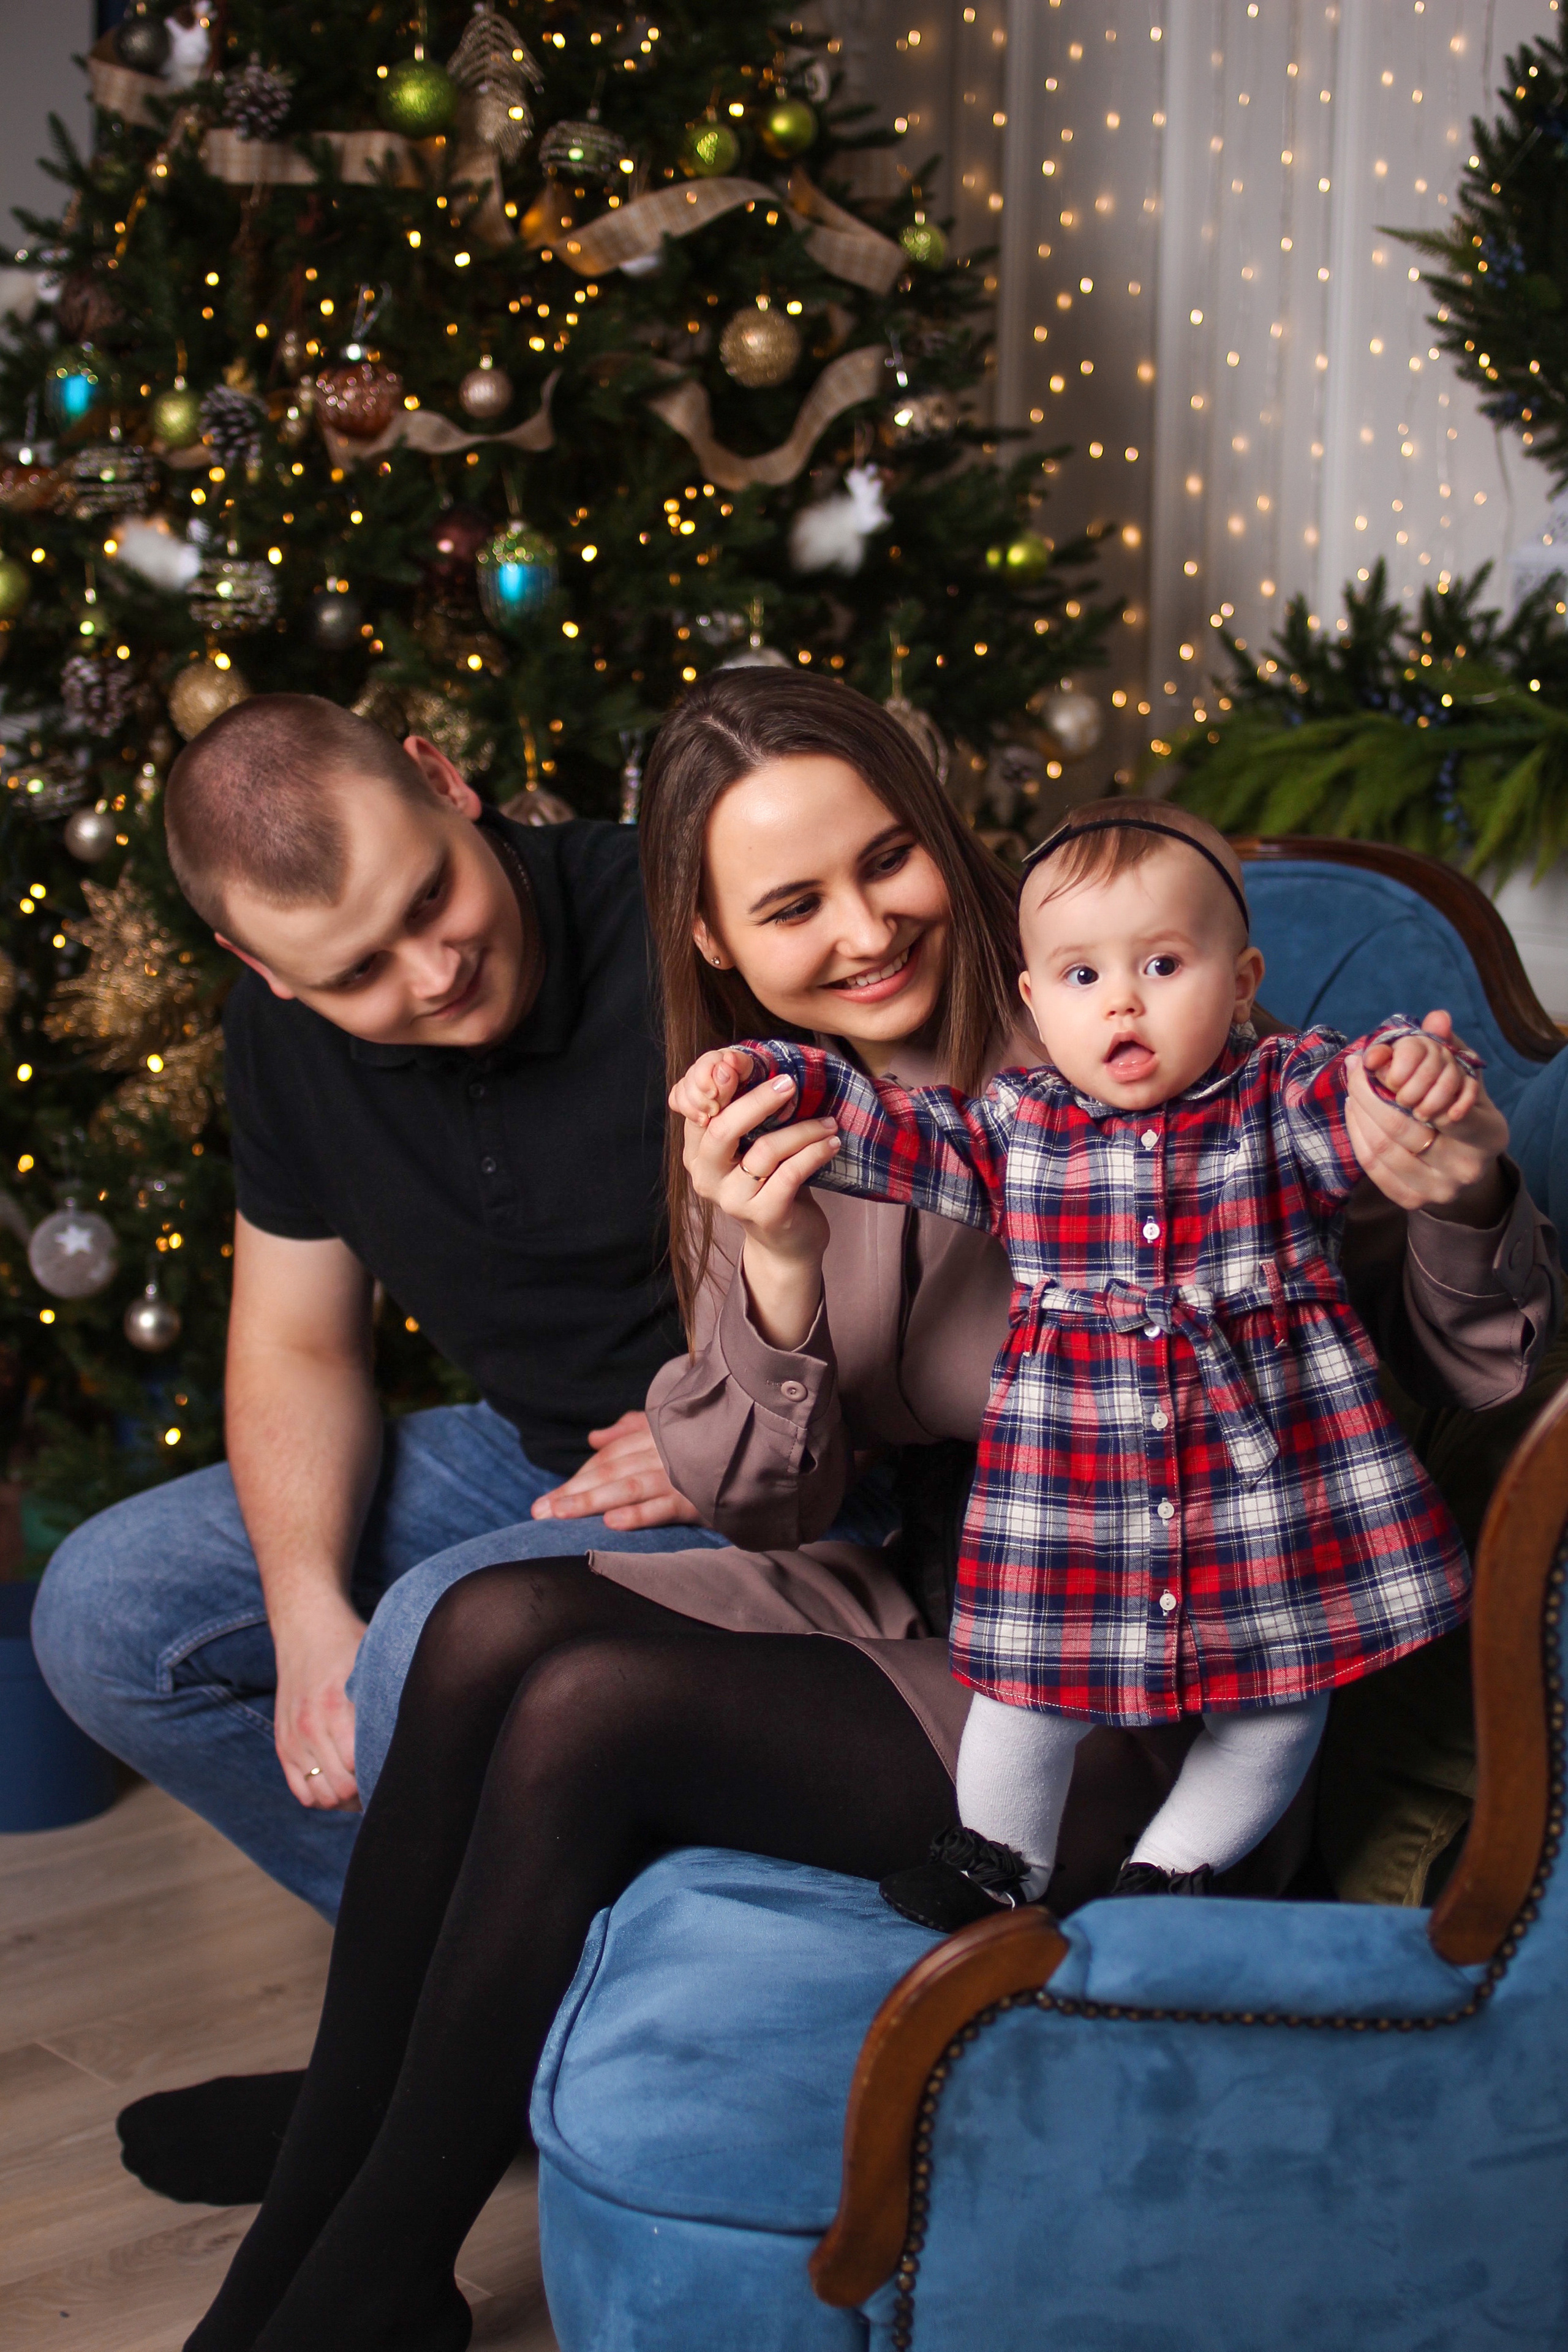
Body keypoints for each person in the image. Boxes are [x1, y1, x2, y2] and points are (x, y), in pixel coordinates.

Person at [177, 676, 1557, 2352]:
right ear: (711, 936)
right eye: (789, 906)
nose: (862, 928)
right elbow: (766, 1506)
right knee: (484, 1624)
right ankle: (319, 2262)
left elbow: (1464, 1370)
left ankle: (350, 2295)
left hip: (1138, 1681)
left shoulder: (1119, 1024)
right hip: (913, 1597)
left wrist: (1465, 1194)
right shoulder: (771, 1109)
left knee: (588, 1710)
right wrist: (772, 1284)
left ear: (940, 831)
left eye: (886, 858)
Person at [671, 804, 1497, 1931]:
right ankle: (997, 1855)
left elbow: (1365, 1091)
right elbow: (885, 1127)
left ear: (1241, 981)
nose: (1122, 1002)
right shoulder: (1017, 1130)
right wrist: (769, 1076)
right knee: (1023, 1693)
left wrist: (1412, 1075)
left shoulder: (1280, 1101)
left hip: (1268, 1491)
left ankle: (1174, 1871)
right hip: (1078, 1493)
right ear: (1034, 1000)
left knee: (1279, 1706)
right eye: (1080, 976)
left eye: (1162, 965)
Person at [31, 695, 742, 1924]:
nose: (433, 972)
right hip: (539, 1462)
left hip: (787, 1463)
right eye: (356, 972)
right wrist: (305, 1612)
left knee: (426, 1633)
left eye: (428, 898)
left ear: (442, 779)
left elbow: (937, 1228)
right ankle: (473, 1961)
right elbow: (298, 1346)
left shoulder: (690, 914)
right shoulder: (279, 1038)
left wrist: (736, 1427)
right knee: (104, 1611)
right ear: (264, 969)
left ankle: (514, 1967)